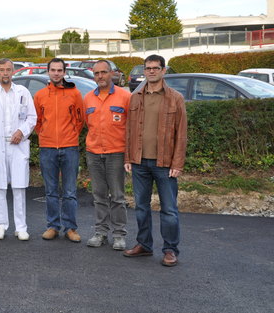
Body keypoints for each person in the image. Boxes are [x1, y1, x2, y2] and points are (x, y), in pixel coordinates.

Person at [123, 54, 187, 267]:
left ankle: (170, 250)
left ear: (163, 70)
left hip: (165, 164)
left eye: (155, 68)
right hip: (140, 162)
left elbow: (181, 133)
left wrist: (177, 163)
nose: (151, 71)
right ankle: (144, 245)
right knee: (141, 207)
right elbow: (129, 130)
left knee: (169, 209)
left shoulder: (175, 98)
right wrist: (128, 157)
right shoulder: (135, 97)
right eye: (148, 68)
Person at [0, 58, 37, 241]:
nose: (5, 73)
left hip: (18, 145)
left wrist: (22, 131)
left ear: (13, 72)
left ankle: (21, 227)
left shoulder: (23, 92)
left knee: (19, 187)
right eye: (2, 70)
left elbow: (31, 117)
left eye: (8, 70)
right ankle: (0, 225)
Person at [33, 58, 84, 242]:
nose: (56, 73)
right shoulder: (39, 95)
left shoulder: (74, 94)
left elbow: (80, 120)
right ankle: (53, 226)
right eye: (53, 70)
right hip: (47, 148)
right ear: (48, 72)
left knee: (70, 191)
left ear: (64, 72)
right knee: (51, 191)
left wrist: (69, 135)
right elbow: (37, 121)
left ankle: (70, 228)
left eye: (59, 70)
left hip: (69, 147)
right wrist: (45, 135)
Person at [83, 60, 131, 250]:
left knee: (117, 196)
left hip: (116, 154)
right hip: (94, 153)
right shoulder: (87, 98)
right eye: (97, 73)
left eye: (104, 72)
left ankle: (119, 234)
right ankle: (101, 232)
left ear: (112, 74)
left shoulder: (125, 97)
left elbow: (131, 127)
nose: (100, 76)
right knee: (99, 195)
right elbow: (87, 124)